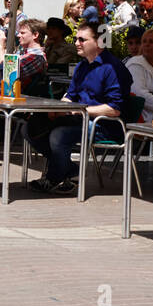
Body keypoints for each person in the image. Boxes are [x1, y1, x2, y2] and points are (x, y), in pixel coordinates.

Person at [28, 22, 132, 195]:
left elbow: (114, 110)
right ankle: (71, 171)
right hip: (79, 119)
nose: (76, 43)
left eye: (82, 40)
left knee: (58, 135)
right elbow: (70, 96)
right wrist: (60, 107)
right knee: (31, 128)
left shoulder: (113, 68)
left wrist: (80, 111)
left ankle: (53, 177)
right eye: (76, 39)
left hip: (106, 126)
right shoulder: (81, 66)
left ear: (99, 42)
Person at [0, 18, 50, 96]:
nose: (18, 35)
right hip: (1, 97)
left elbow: (5, 72)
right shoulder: (25, 54)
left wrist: (1, 46)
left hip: (9, 101)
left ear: (35, 35)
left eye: (22, 33)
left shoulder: (36, 58)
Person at [126, 28, 153, 123]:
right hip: (143, 120)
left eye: (151, 42)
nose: (147, 44)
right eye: (144, 41)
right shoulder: (135, 64)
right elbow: (139, 94)